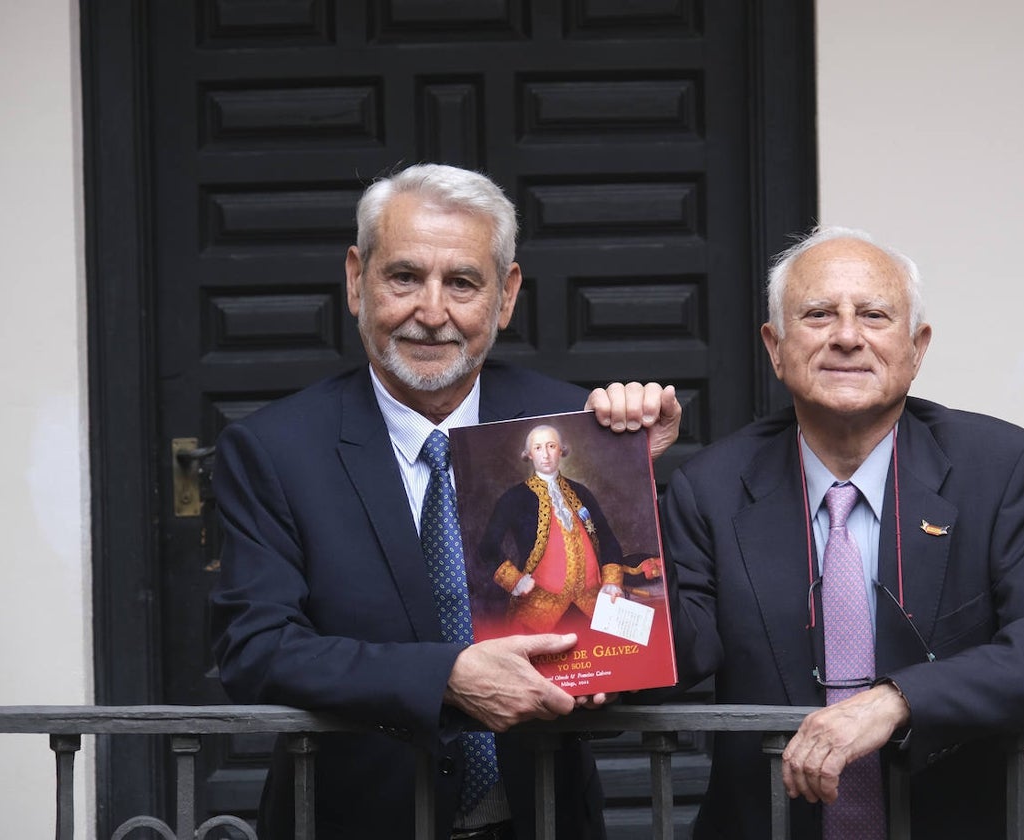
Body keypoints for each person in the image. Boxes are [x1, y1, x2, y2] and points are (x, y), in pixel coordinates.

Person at [210, 162, 681, 840]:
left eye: (462, 283)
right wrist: (446, 677)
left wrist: (631, 478)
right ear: (355, 279)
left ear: (506, 295)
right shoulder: (274, 450)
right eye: (404, 277)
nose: (432, 313)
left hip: (544, 819)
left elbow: (662, 649)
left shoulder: (577, 428)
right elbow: (256, 651)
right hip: (357, 823)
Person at [660, 226, 1024, 839]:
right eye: (818, 315)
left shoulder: (995, 467)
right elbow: (670, 659)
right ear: (775, 347)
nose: (847, 336)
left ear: (917, 347)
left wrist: (897, 700)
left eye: (873, 315)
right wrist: (620, 481)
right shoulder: (710, 485)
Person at [481, 424, 627, 635]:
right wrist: (514, 581)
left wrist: (612, 582)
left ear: (561, 450)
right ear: (529, 454)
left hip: (592, 604)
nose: (546, 454)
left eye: (551, 446)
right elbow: (487, 547)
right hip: (540, 608)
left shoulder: (581, 492)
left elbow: (607, 539)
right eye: (538, 448)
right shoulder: (513, 498)